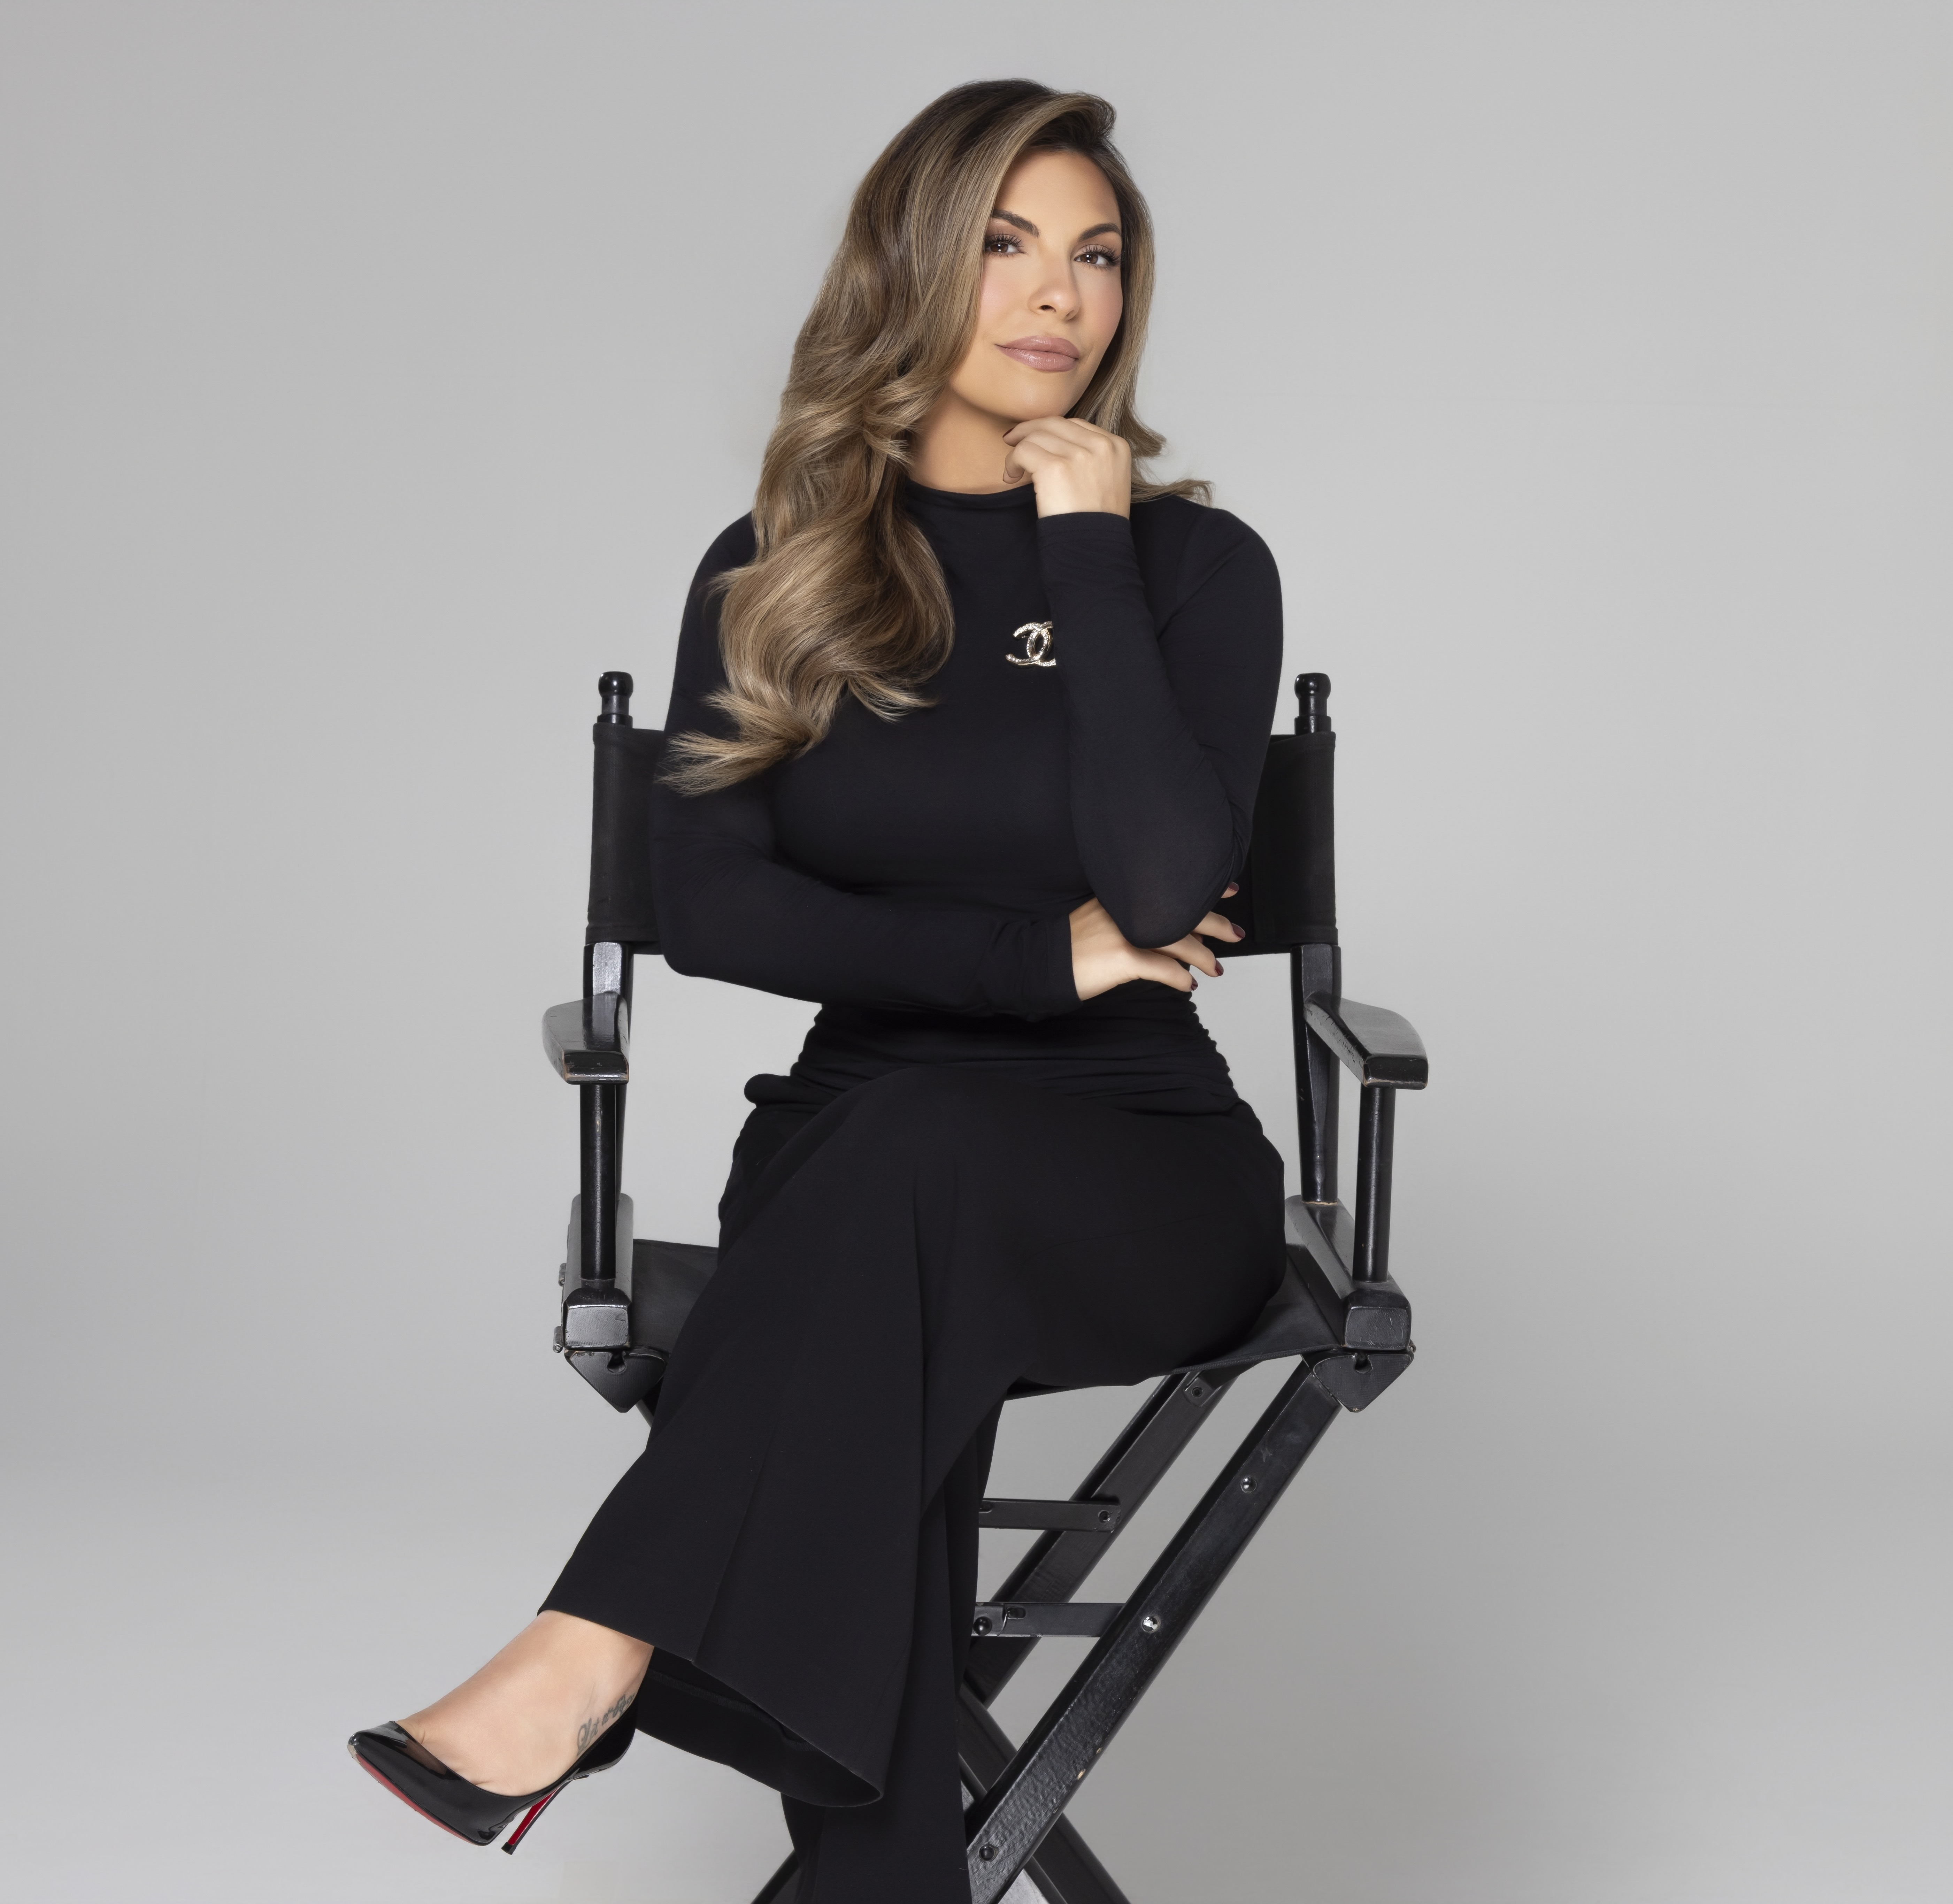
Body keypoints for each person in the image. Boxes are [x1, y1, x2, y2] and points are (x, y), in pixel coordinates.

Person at [350, 77, 1286, 1902]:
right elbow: (710, 906)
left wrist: (1084, 549)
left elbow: (1173, 878)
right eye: (1007, 245)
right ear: (912, 269)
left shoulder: (1188, 566)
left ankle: (590, 1648)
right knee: (889, 1204)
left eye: (1097, 256)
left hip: (1140, 1172)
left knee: (896, 1196)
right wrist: (1037, 950)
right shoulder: (779, 574)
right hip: (858, 1162)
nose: (1057, 297)